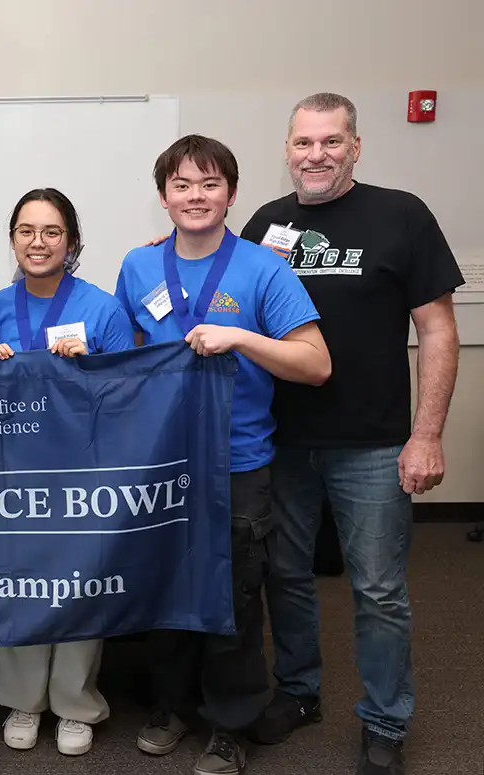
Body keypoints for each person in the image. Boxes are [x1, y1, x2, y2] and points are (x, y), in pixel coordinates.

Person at [240, 92, 463, 775]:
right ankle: (301, 691)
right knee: (287, 576)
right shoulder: (265, 223)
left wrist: (427, 434)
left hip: (373, 442)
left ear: (356, 147)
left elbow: (438, 329)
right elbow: (227, 294)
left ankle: (386, 718)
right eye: (304, 142)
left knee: (377, 588)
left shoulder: (402, 215)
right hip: (284, 439)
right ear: (287, 150)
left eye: (331, 141)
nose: (317, 155)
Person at [114, 134, 331, 775]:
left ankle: (230, 722)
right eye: (182, 185)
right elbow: (125, 354)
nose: (196, 196)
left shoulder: (263, 269)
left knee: (234, 593)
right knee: (167, 585)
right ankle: (175, 706)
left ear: (232, 194)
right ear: (163, 197)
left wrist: (240, 336)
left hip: (237, 462)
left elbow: (316, 363)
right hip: (160, 462)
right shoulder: (138, 265)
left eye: (210, 184)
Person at [0, 188, 134, 756]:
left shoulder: (101, 309)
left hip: (82, 477)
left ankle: (74, 703)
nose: (38, 242)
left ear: (71, 241)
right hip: (11, 478)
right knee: (20, 586)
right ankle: (24, 701)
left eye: (51, 232)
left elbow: (129, 395)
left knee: (76, 587)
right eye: (26, 230)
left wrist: (89, 373)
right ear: (13, 239)